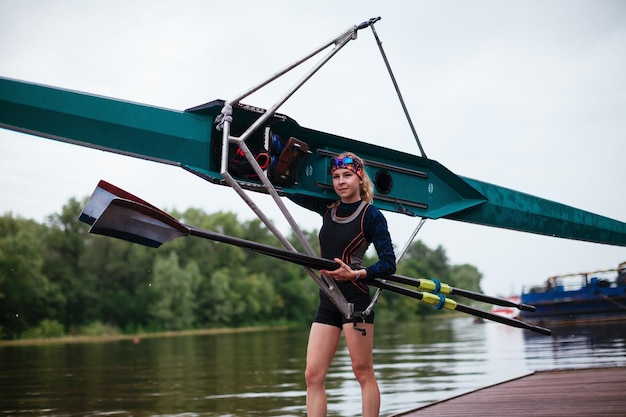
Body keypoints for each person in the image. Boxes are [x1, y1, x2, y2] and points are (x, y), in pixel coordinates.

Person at [290, 152, 396, 417]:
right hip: (327, 299)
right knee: (312, 374)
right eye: (336, 177)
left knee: (362, 372)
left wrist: (356, 275)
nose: (341, 181)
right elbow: (289, 190)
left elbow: (388, 264)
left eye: (347, 175)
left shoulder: (372, 216)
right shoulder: (327, 209)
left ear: (360, 178)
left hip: (355, 299)